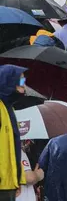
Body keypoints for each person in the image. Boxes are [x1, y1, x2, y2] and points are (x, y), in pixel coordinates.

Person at [0, 65, 26, 201]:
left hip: (8, 183)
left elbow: (13, 147)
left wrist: (17, 178)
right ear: (9, 82)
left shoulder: (9, 108)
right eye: (21, 81)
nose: (24, 85)